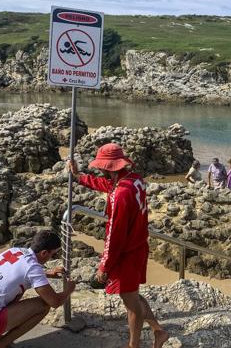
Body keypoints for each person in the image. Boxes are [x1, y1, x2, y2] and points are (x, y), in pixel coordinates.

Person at [68, 143, 169, 348]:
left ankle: (134, 345)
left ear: (108, 167)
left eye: (101, 167)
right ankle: (159, 332)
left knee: (131, 304)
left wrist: (104, 266)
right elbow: (108, 186)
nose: (100, 170)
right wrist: (80, 177)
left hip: (127, 254)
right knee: (134, 295)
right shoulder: (134, 180)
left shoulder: (120, 195)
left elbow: (114, 237)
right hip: (139, 245)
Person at [0, 230, 75, 348]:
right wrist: (69, 289)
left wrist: (47, 273)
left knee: (19, 289)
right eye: (53, 254)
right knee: (43, 306)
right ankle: (0, 345)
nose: (51, 257)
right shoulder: (32, 268)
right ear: (44, 253)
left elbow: (17, 274)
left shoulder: (13, 251)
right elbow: (54, 302)